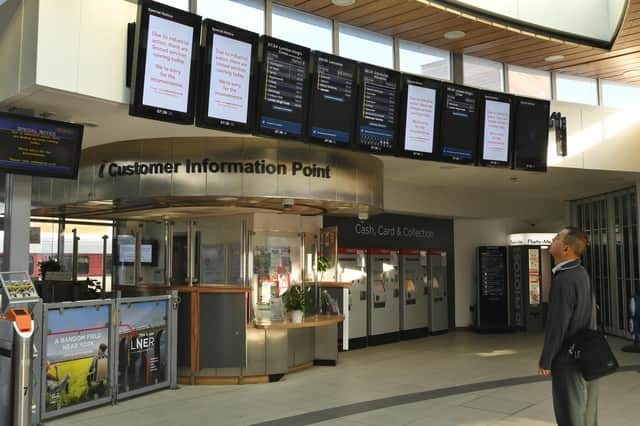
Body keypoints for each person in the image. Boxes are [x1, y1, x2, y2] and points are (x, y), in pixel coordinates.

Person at [539, 226, 598, 425]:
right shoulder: (581, 272)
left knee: (570, 413)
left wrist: (546, 359)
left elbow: (558, 324)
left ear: (566, 249)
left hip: (569, 357)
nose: (552, 240)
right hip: (587, 352)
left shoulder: (564, 279)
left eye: (556, 237)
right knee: (587, 414)